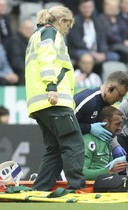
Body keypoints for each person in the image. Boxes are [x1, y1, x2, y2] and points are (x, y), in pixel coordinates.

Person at [25, 5, 86, 191]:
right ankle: (77, 188)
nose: (67, 30)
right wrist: (52, 86)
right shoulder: (50, 33)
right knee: (73, 142)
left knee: (55, 150)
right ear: (62, 21)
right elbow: (47, 59)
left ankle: (41, 189)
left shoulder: (36, 35)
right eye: (68, 26)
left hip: (39, 102)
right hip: (54, 99)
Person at [74, 71, 128, 157]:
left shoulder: (107, 106)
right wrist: (89, 128)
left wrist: (115, 146)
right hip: (66, 149)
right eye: (120, 95)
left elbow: (105, 132)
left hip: (87, 151)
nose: (120, 100)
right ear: (110, 88)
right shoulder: (87, 100)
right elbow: (65, 125)